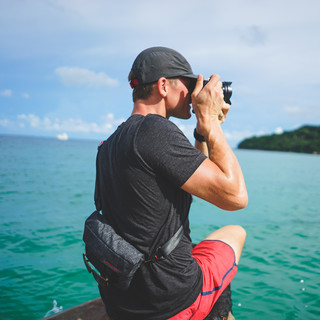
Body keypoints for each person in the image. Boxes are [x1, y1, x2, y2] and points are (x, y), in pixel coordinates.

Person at [96, 47, 248, 320]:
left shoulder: (111, 144)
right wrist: (213, 122)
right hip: (170, 300)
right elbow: (235, 196)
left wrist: (202, 130)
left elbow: (200, 183)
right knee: (235, 233)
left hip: (124, 303)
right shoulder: (155, 130)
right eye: (188, 85)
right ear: (163, 85)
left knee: (200, 258)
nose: (193, 95)